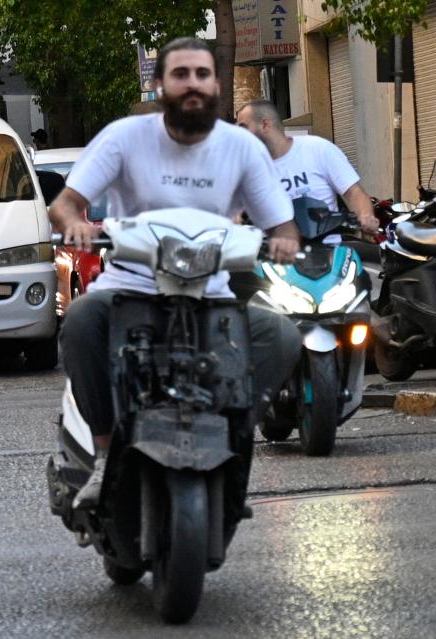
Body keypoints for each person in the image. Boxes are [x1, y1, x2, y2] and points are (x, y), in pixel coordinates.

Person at [50, 37, 303, 511]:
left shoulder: (242, 148)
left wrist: (285, 239)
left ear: (217, 86)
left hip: (212, 294)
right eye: (181, 75)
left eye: (202, 75)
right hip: (131, 287)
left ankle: (233, 444)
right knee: (82, 320)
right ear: (160, 85)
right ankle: (104, 453)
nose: (193, 85)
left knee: (283, 335)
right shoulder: (124, 137)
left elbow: (281, 223)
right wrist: (76, 226)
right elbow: (64, 204)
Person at [235, 99, 377, 235]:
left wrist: (365, 215)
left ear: (265, 125)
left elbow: (354, 192)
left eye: (243, 128)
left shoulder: (318, 149)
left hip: (329, 251)